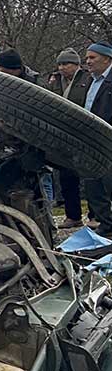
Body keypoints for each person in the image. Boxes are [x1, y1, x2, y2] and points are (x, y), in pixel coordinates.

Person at [47, 48, 92, 228]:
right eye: (60, 64)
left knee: (89, 177)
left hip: (83, 133)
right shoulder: (54, 81)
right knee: (66, 177)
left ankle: (95, 214)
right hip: (62, 135)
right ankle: (72, 215)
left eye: (66, 64)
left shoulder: (87, 80)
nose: (62, 67)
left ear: (76, 65)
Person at [82, 43, 112, 236]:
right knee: (93, 183)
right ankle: (106, 223)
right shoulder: (92, 81)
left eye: (92, 58)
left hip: (108, 139)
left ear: (107, 58)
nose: (88, 62)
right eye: (87, 58)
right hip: (91, 140)